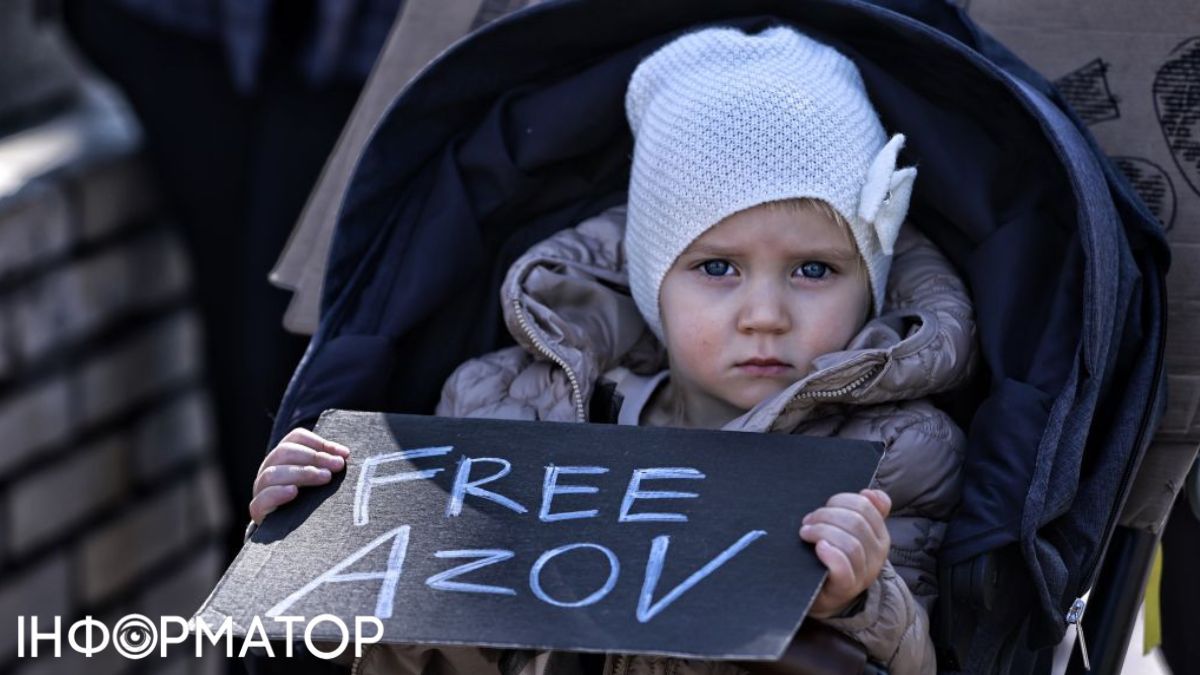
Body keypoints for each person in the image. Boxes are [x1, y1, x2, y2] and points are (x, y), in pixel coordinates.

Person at [248, 25, 976, 675]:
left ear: (871, 285)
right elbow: (412, 655)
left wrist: (858, 602)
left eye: (813, 270)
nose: (764, 314)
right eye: (716, 268)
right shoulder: (503, 406)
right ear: (651, 279)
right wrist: (317, 538)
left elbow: (929, 660)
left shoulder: (894, 451)